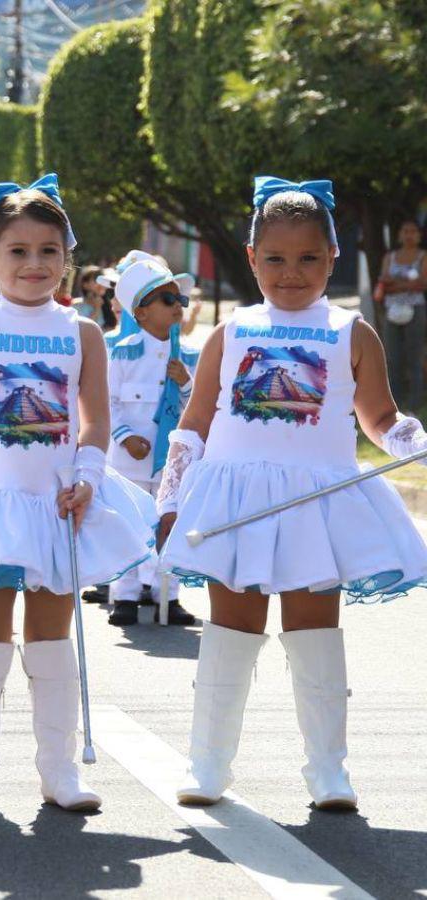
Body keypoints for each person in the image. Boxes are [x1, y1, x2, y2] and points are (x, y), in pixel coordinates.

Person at [156, 177, 427, 811]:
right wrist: (170, 498)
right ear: (252, 258)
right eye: (275, 258)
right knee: (232, 626)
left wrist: (413, 442)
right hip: (236, 501)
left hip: (314, 504)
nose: (291, 273)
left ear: (333, 256)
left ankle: (328, 770)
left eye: (308, 258)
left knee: (314, 631)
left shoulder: (351, 331)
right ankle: (208, 763)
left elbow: (379, 417)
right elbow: (194, 423)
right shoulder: (233, 331)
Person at [0, 175, 154, 813]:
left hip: (54, 507)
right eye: (17, 250)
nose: (33, 263)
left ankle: (59, 771)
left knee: (50, 638)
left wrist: (88, 476)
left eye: (48, 250)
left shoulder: (82, 332)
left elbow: (95, 421)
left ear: (67, 257)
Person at [105, 254, 199, 626]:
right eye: (167, 299)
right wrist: (125, 437)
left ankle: (167, 595)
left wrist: (186, 383)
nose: (178, 306)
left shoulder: (189, 356)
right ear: (141, 313)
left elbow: (201, 405)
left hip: (171, 460)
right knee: (129, 525)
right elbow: (107, 401)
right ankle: (125, 595)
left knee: (169, 525)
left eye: (181, 299)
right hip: (130, 458)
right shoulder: (123, 352)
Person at [378, 219, 425, 408]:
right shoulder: (390, 257)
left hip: (416, 310)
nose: (409, 235)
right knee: (392, 357)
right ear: (399, 235)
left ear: (419, 235)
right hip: (392, 311)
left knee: (414, 356)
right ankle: (394, 403)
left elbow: (422, 284)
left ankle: (415, 403)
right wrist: (408, 284)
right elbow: (383, 283)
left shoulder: (423, 256)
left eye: (413, 231)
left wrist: (394, 283)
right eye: (405, 231)